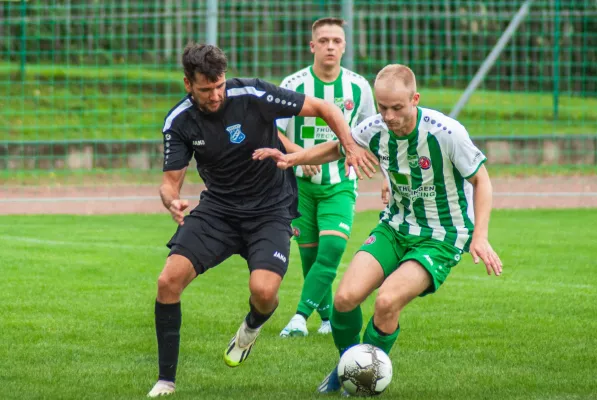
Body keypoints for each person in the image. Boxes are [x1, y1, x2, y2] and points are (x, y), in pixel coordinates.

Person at [253, 64, 503, 394]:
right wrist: (290, 160)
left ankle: (366, 376)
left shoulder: (446, 132)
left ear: (415, 99)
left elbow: (481, 179)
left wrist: (481, 236)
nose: (388, 116)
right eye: (382, 107)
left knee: (386, 302)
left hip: (440, 236)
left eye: (397, 108)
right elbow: (339, 147)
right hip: (395, 226)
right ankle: (347, 367)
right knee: (345, 298)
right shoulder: (375, 128)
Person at [147, 42, 378, 397]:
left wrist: (348, 144)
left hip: (270, 209)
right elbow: (169, 181)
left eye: (219, 85)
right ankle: (165, 380)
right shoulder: (179, 121)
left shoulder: (253, 93)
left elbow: (324, 107)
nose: (215, 95)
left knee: (264, 293)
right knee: (168, 281)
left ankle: (251, 328)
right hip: (219, 211)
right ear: (187, 84)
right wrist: (172, 201)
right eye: (206, 89)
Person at [275, 17, 376, 338]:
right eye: (324, 41)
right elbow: (273, 133)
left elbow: (374, 134)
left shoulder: (358, 87)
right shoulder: (293, 84)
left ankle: (299, 318)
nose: (330, 46)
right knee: (310, 256)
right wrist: (298, 157)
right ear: (312, 46)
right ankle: (329, 318)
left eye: (337, 41)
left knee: (331, 250)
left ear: (344, 46)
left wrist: (387, 179)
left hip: (341, 183)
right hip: (299, 187)